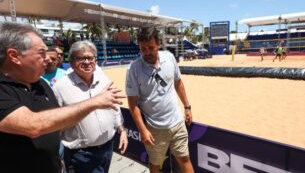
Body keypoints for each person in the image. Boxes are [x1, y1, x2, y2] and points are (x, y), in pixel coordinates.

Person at [0, 22, 125, 173]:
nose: (49, 59)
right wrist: (95, 102)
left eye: (90, 58)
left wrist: (57, 157)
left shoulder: (41, 84)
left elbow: (55, 124)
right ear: (15, 56)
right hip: (81, 156)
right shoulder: (57, 85)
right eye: (41, 53)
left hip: (92, 153)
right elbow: (33, 125)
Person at [53, 40, 128, 173]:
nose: (87, 62)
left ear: (95, 60)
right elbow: (54, 124)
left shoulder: (103, 79)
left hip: (107, 148)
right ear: (71, 62)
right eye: (81, 58)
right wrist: (56, 155)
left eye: (90, 57)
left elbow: (114, 107)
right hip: (81, 155)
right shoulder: (60, 87)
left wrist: (122, 131)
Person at [126, 27, 194, 173]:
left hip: (177, 123)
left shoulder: (169, 57)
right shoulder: (134, 69)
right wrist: (143, 130)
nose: (147, 52)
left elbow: (178, 83)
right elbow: (132, 104)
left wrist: (187, 107)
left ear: (159, 44)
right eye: (143, 49)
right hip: (154, 128)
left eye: (151, 47)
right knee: (155, 165)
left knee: (184, 159)